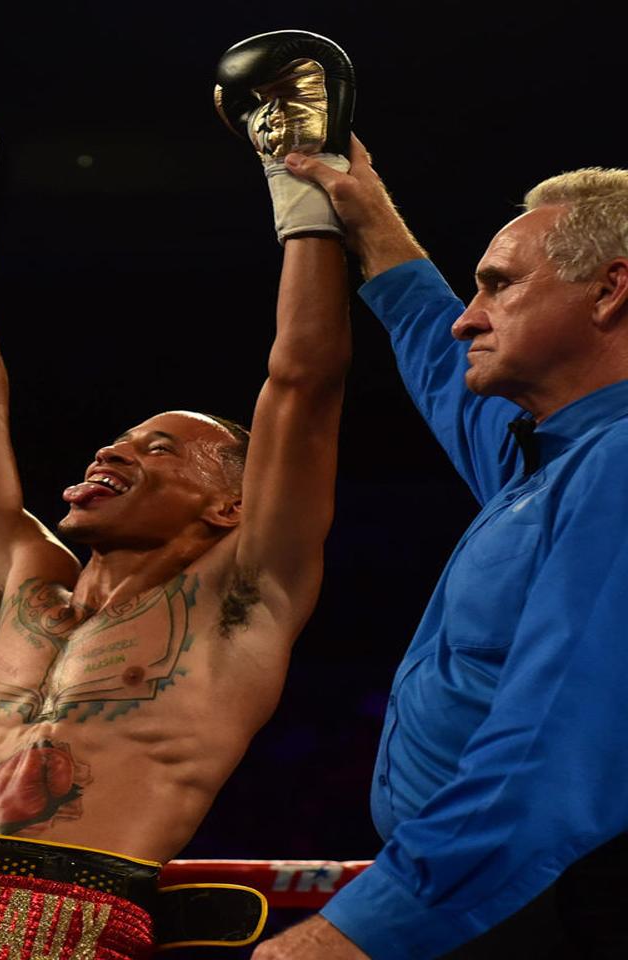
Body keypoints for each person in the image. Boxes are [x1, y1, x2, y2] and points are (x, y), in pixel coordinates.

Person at [0, 30, 354, 960]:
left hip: (63, 920)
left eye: (162, 450)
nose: (115, 454)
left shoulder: (243, 601)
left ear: (230, 507)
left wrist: (302, 176)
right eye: (116, 441)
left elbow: (302, 386)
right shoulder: (27, 580)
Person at [251, 140, 628, 959]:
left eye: (499, 285)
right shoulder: (551, 459)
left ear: (609, 291)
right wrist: (364, 203)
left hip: (550, 900)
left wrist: (355, 932)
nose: (470, 314)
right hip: (504, 894)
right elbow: (433, 342)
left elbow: (554, 751)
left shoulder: (619, 464)